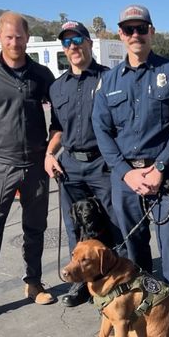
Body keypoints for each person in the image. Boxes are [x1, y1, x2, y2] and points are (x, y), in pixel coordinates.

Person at [92, 4, 169, 337]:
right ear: (120, 35)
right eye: (128, 29)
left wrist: (160, 167)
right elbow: (102, 132)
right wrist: (126, 172)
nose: (135, 35)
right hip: (125, 181)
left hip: (162, 179)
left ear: (151, 31)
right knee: (132, 260)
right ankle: (140, 321)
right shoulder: (109, 81)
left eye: (141, 28)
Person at [0, 11, 56, 326]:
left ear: (27, 38)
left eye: (19, 36)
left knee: (35, 228)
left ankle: (33, 282)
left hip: (36, 164)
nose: (14, 42)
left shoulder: (41, 75)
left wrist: (51, 152)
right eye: (8, 36)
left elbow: (61, 117)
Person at [45, 21, 123, 307]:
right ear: (63, 49)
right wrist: (49, 154)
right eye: (66, 42)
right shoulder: (57, 87)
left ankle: (120, 281)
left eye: (78, 39)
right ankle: (80, 282)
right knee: (75, 227)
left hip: (103, 164)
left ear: (89, 42)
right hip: (70, 168)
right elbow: (57, 128)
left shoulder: (111, 78)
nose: (73, 46)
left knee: (115, 224)